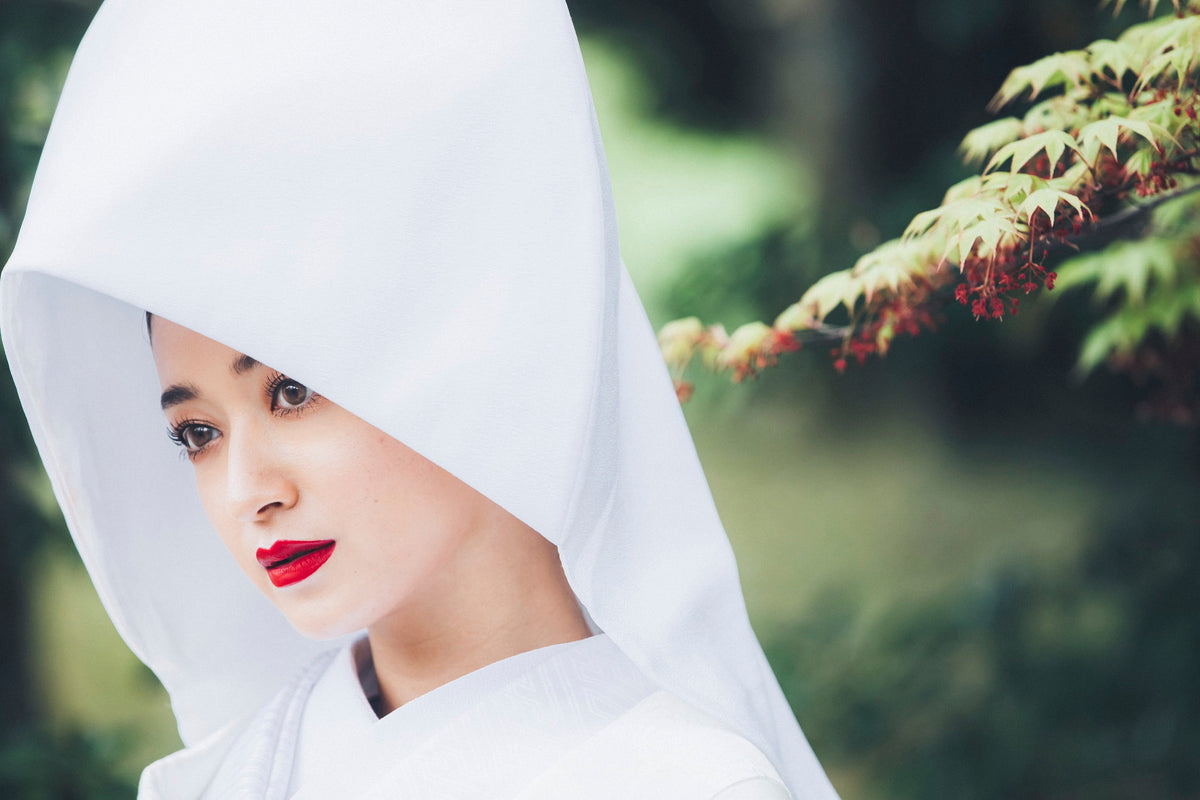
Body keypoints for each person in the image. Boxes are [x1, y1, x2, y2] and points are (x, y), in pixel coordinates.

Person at [0, 1, 841, 798]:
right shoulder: (242, 771)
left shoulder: (684, 783)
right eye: (197, 432)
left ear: (461, 348)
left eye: (291, 392)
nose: (246, 490)